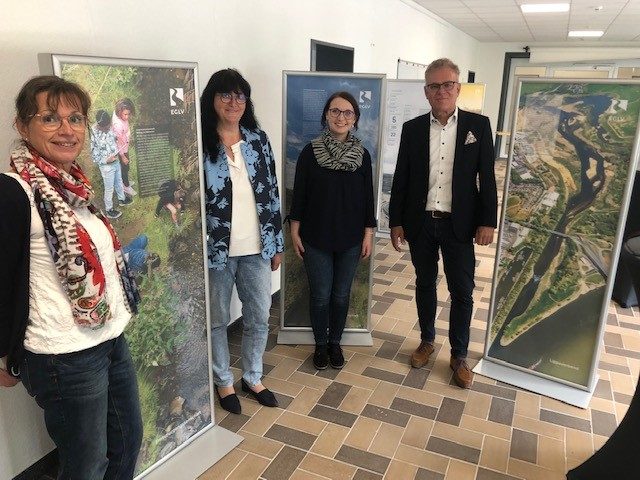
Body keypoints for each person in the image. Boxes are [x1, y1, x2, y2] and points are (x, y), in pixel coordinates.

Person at [0, 76, 142, 478]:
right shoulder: (14, 192)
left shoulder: (75, 188)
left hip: (109, 338)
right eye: (50, 118)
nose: (66, 129)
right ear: (22, 125)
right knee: (86, 467)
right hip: (63, 354)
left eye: (75, 118)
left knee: (127, 442)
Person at [389, 58, 498, 389]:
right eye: (434, 86)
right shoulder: (412, 129)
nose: (441, 91)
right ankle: (426, 341)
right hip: (421, 221)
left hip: (459, 224)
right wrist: (396, 221)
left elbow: (487, 178)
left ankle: (459, 355)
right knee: (424, 283)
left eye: (447, 84)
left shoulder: (478, 126)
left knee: (462, 291)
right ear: (426, 91)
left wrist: (488, 221)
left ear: (458, 88)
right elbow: (402, 178)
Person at [201, 69, 283, 414]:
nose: (234, 102)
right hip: (216, 251)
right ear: (212, 100)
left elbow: (272, 192)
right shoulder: (199, 143)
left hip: (257, 249)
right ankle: (223, 381)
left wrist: (276, 243)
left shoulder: (257, 140)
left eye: (240, 96)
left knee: (259, 316)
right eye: (225, 95)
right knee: (218, 319)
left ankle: (252, 376)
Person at [289, 91, 376, 370]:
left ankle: (335, 343)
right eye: (335, 111)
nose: (341, 117)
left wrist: (368, 234)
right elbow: (299, 195)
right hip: (316, 237)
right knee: (320, 295)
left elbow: (368, 198)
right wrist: (294, 231)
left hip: (351, 238)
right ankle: (320, 345)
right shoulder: (310, 152)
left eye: (348, 112)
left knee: (340, 295)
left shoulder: (362, 156)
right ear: (326, 115)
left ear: (355, 119)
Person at [91, 109, 132, 219]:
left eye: (109, 125)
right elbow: (94, 156)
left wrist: (116, 138)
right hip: (106, 167)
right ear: (100, 125)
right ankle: (109, 210)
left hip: (116, 161)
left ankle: (122, 199)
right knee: (109, 188)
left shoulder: (109, 126)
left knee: (119, 181)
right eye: (106, 127)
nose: (108, 128)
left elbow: (113, 137)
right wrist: (106, 160)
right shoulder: (94, 134)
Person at [112, 98, 136, 196]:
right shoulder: (118, 125)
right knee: (125, 167)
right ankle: (125, 186)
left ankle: (124, 181)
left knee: (126, 166)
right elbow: (118, 143)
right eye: (125, 114)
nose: (127, 117)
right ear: (119, 112)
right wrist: (122, 156)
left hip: (124, 145)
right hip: (121, 149)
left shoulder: (118, 113)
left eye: (128, 114)